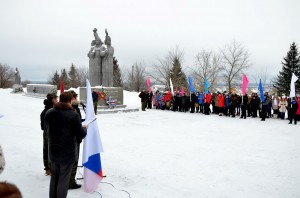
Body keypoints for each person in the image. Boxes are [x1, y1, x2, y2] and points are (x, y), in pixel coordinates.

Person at [45, 92, 88, 198]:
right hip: (66, 153)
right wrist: (85, 128)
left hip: (53, 151)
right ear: (69, 101)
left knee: (54, 178)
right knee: (63, 179)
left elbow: (46, 130)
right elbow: (81, 134)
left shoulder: (50, 112)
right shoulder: (73, 115)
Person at [68, 90, 84, 189]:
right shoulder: (71, 109)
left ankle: (70, 180)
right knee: (73, 161)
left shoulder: (75, 108)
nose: (76, 99)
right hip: (72, 139)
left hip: (73, 138)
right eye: (75, 98)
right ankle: (70, 182)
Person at [40, 93, 58, 176]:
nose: (57, 100)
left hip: (47, 133)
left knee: (46, 150)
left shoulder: (47, 109)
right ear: (52, 99)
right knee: (50, 151)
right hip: (50, 133)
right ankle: (50, 169)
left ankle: (47, 168)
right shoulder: (51, 110)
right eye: (56, 98)